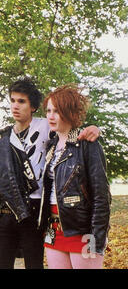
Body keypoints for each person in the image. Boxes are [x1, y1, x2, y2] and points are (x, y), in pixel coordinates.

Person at [0, 78, 100, 269]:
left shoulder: (46, 126)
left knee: (34, 265)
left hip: (35, 210)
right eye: (12, 100)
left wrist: (95, 129)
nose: (15, 106)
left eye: (21, 101)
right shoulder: (1, 138)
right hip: (6, 211)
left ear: (33, 106)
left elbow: (74, 137)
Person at [38, 84, 111, 269]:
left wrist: (97, 239)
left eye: (57, 111)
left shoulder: (87, 144)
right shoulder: (50, 146)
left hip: (82, 231)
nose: (50, 116)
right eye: (48, 110)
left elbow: (101, 197)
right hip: (53, 230)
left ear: (70, 113)